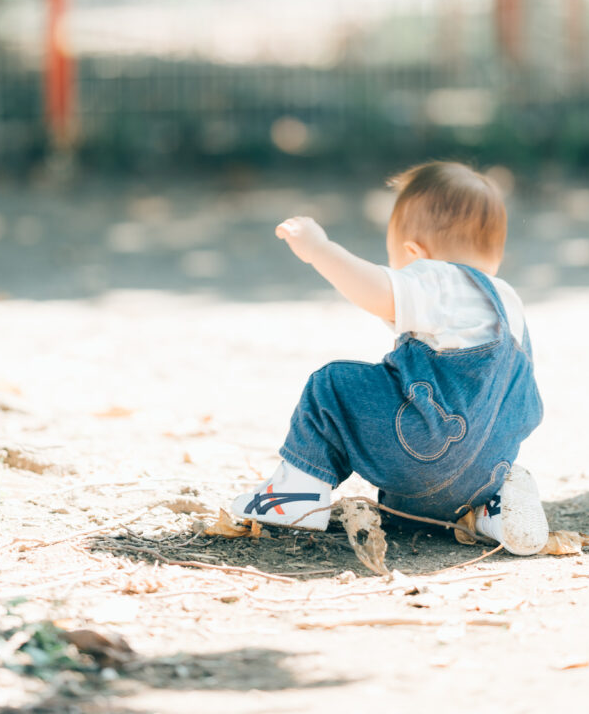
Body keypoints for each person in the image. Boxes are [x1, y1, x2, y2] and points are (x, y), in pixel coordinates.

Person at [232, 161, 549, 556]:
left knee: (331, 386)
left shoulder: (440, 278)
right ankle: (490, 510)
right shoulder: (508, 303)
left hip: (425, 449)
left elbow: (377, 290)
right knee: (403, 505)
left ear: (415, 254)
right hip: (481, 470)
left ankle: (294, 496)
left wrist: (319, 250)